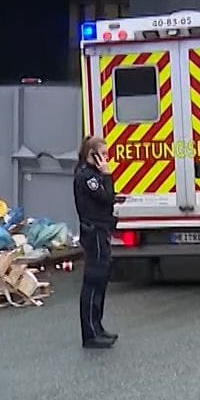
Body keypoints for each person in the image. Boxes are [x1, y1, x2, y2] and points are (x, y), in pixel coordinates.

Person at [72, 134, 118, 349]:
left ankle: (97, 326)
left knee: (101, 281)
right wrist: (107, 176)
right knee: (93, 281)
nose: (107, 158)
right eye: (103, 154)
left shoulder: (93, 174)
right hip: (94, 233)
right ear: (93, 155)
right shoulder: (87, 177)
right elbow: (105, 198)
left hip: (101, 231)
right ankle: (90, 333)